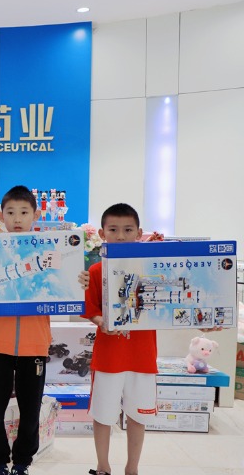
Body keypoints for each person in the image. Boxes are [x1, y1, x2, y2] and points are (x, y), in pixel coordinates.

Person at [0, 185, 89, 475]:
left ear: (36, 215)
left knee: (31, 409)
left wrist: (78, 281)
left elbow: (65, 289)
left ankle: (22, 462)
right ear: (0, 216)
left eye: (24, 212)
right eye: (10, 212)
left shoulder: (50, 252)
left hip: (35, 344)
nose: (17, 219)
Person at [81, 203, 155, 475]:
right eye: (113, 230)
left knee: (138, 415)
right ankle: (102, 466)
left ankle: (132, 468)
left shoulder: (151, 270)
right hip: (109, 357)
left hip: (143, 356)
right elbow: (90, 309)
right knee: (103, 414)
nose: (120, 236)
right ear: (102, 233)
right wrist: (101, 321)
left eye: (127, 230)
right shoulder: (95, 271)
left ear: (139, 233)